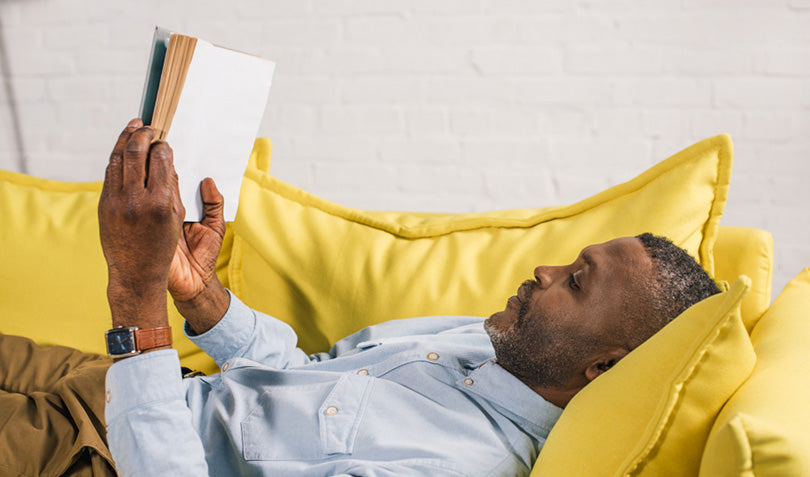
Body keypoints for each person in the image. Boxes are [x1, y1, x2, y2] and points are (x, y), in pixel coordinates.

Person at [0, 119, 720, 477]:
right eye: (569, 261)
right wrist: (206, 301)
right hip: (132, 383)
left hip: (103, 452)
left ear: (600, 368)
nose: (543, 269)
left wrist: (136, 301)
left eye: (576, 281)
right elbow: (312, 369)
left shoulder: (455, 465)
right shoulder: (491, 342)